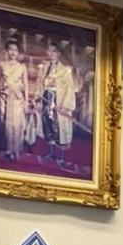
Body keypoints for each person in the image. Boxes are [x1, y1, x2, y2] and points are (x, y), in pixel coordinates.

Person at [0, 38, 29, 161]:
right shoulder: (2, 64)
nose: (13, 52)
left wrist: (26, 102)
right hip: (4, 96)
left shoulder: (22, 67)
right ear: (7, 51)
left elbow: (26, 85)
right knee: (4, 122)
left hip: (18, 98)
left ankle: (14, 149)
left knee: (16, 123)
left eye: (16, 50)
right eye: (11, 49)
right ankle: (7, 148)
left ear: (18, 52)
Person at [39, 41, 77, 169]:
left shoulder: (65, 70)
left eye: (54, 51)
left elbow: (70, 89)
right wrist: (38, 98)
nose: (51, 53)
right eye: (49, 51)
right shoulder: (44, 68)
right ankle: (51, 154)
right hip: (46, 99)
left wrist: (64, 105)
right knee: (48, 125)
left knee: (60, 128)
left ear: (59, 53)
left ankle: (61, 157)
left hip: (59, 100)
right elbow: (39, 84)